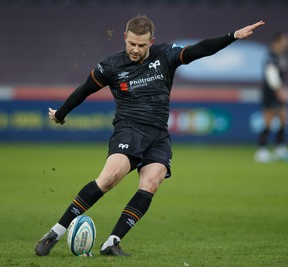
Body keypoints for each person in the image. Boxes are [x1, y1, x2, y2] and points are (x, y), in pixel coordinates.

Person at [35, 15, 265, 257]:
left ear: (151, 42)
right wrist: (61, 114)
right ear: (125, 37)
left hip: (158, 135)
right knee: (109, 178)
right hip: (129, 129)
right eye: (132, 43)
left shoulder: (165, 55)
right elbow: (84, 90)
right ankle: (55, 232)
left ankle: (111, 242)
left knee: (151, 183)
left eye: (142, 45)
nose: (136, 49)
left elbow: (200, 50)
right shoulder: (111, 65)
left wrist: (232, 37)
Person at [254, 31, 288, 163]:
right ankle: (262, 151)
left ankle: (280, 149)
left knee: (283, 118)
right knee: (269, 121)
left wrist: (283, 88)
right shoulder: (270, 56)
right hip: (270, 93)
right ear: (277, 41)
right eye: (285, 40)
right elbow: (271, 75)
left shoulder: (282, 56)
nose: (287, 42)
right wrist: (279, 89)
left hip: (279, 91)